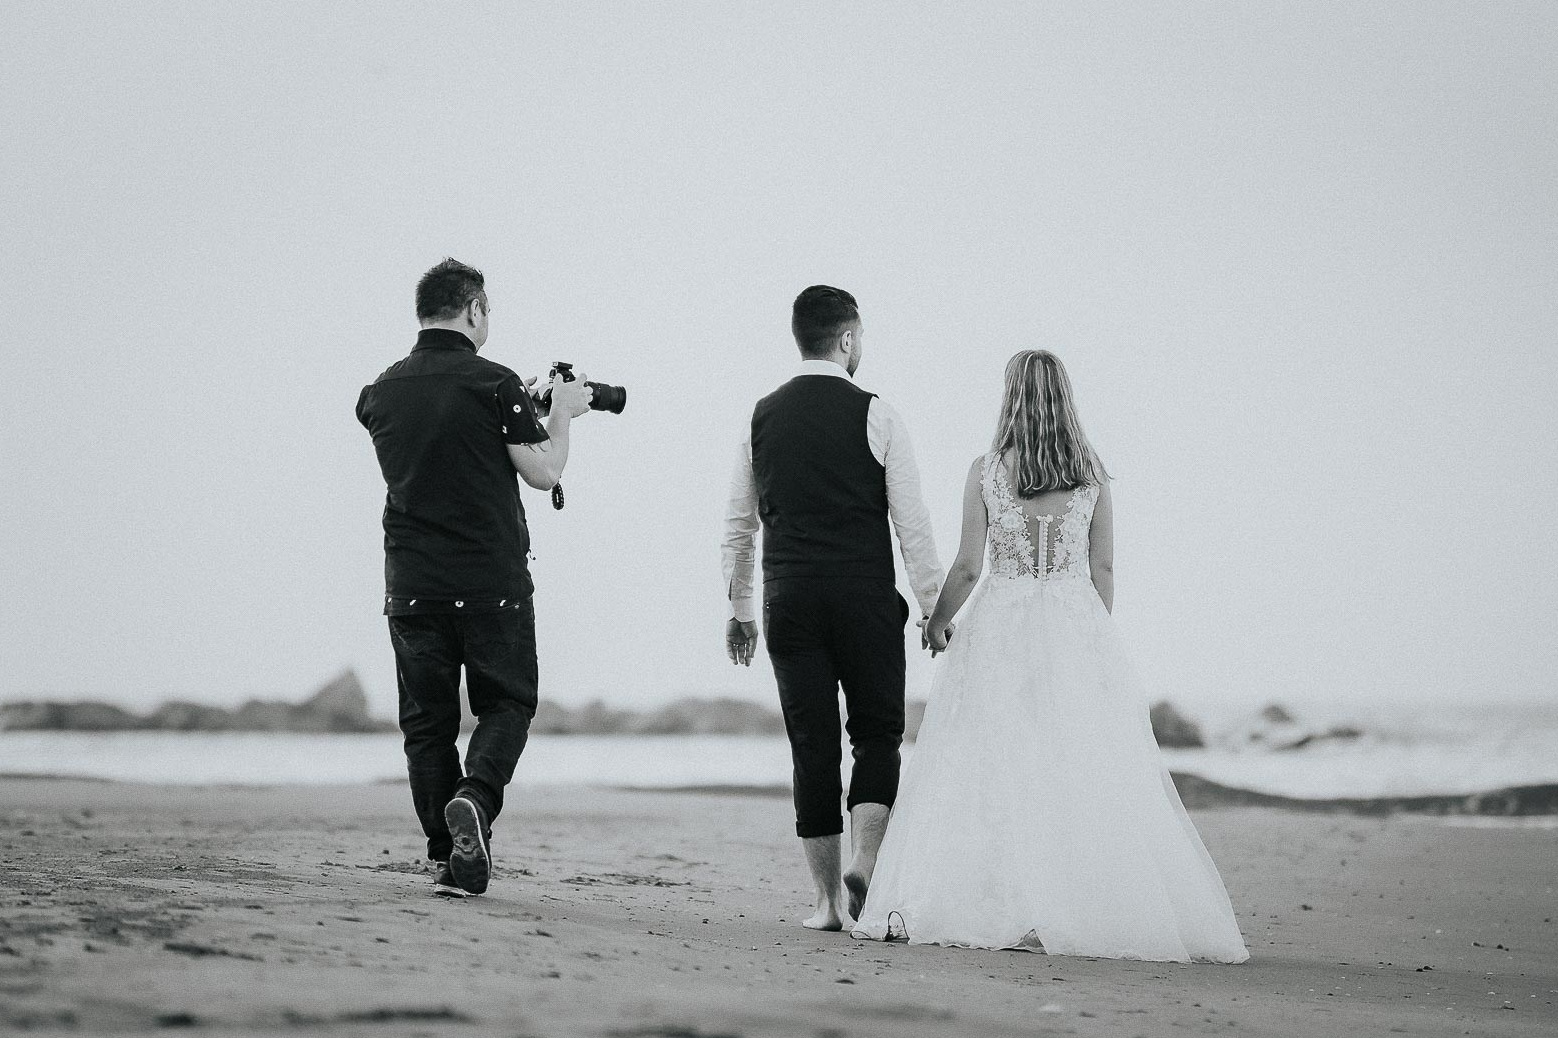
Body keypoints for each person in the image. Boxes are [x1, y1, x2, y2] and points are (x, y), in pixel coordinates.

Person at [851, 350, 1249, 963]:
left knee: (988, 764)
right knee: (1070, 765)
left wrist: (937, 624)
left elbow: (967, 566)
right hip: (1071, 626)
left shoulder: (986, 471)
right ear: (1065, 398)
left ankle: (994, 897)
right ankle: (1066, 905)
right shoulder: (1091, 476)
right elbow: (1104, 569)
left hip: (999, 628)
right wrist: (1090, 638)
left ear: (1010, 397)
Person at [356, 258, 593, 897]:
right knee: (507, 703)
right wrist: (562, 411)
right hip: (492, 583)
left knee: (427, 726)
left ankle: (446, 855)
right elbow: (543, 472)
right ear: (475, 310)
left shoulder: (379, 392)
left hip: (410, 583)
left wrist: (523, 406)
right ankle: (476, 802)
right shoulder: (495, 383)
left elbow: (439, 442)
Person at [722, 285, 943, 931]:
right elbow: (913, 524)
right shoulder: (879, 414)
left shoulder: (759, 417)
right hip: (865, 596)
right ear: (847, 339)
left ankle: (823, 905)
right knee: (876, 734)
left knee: (811, 744)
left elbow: (739, 526)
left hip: (790, 596)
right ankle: (866, 863)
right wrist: (933, 608)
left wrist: (741, 611)